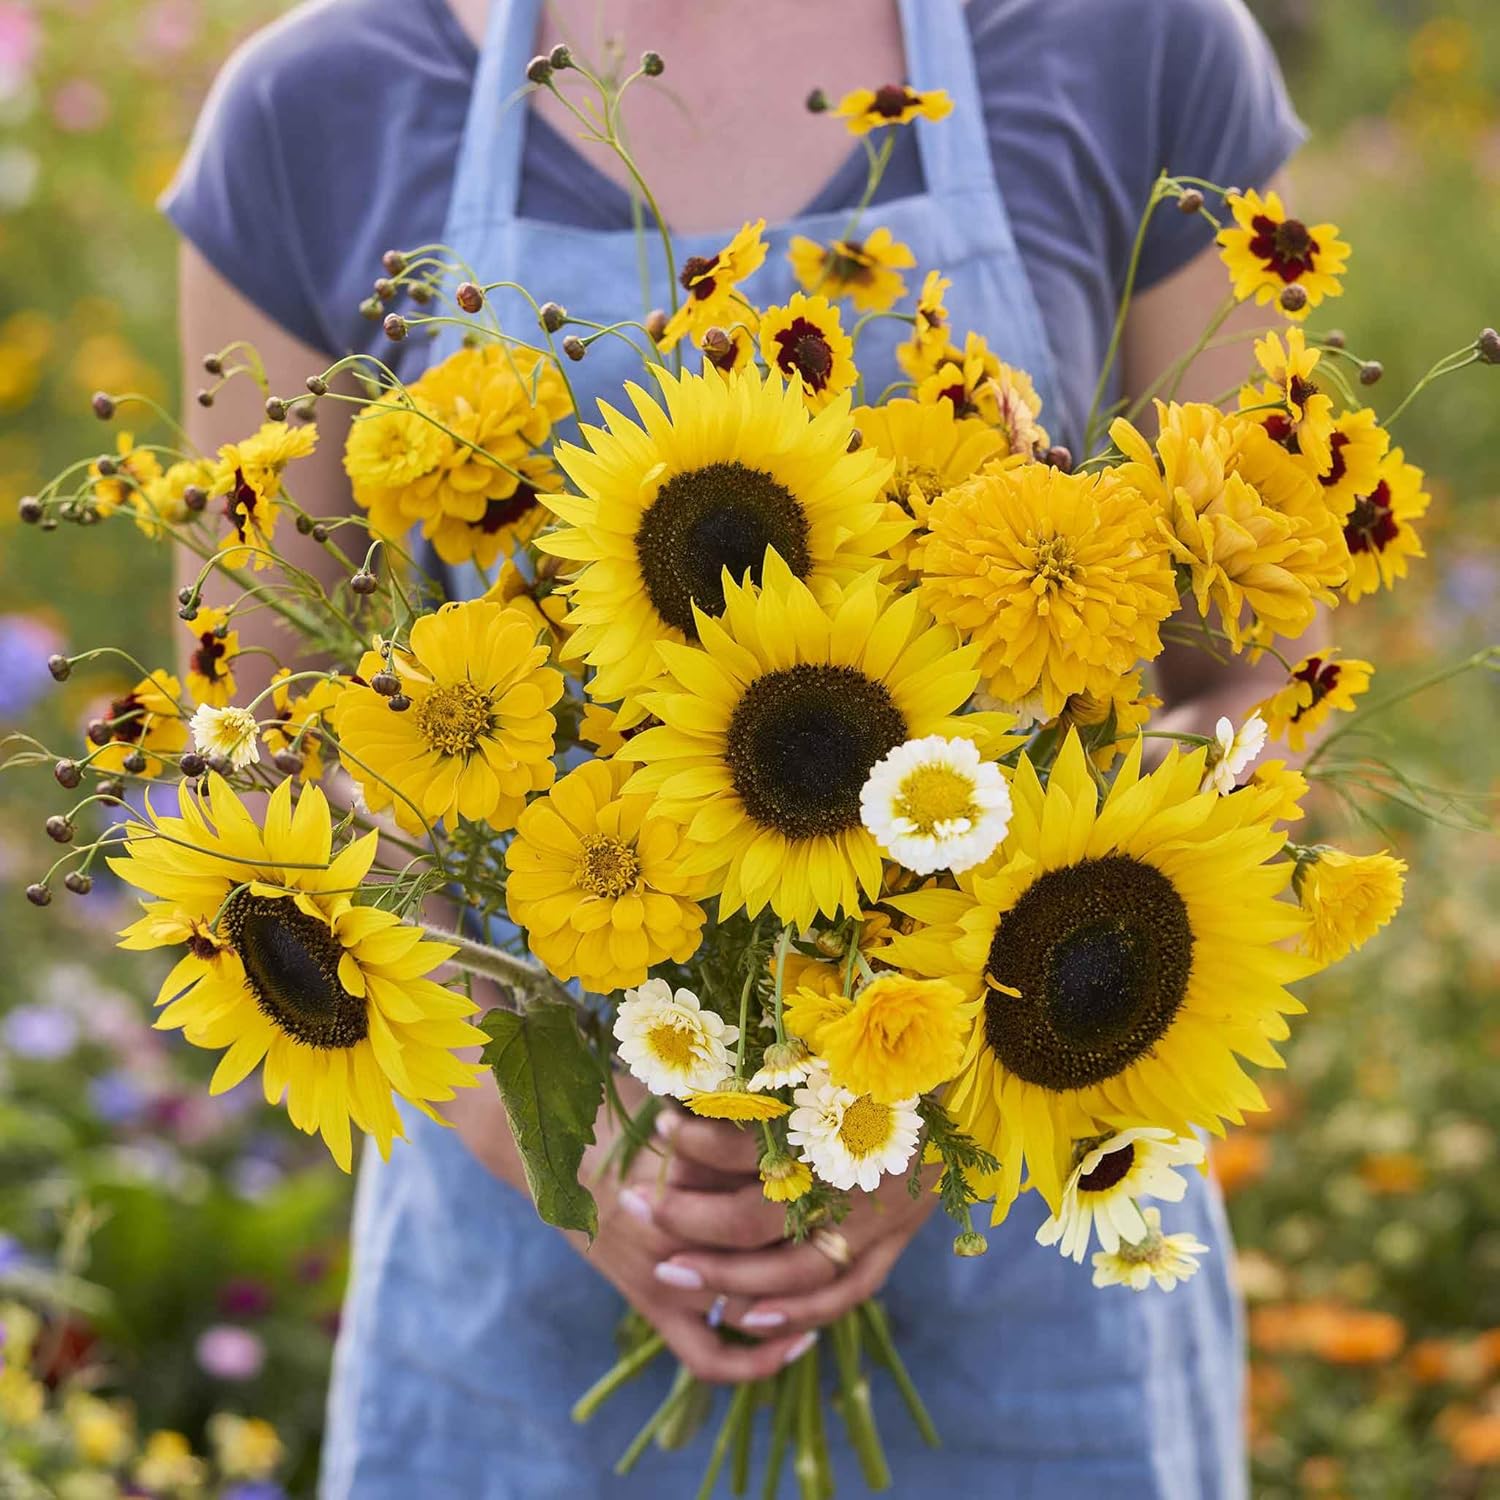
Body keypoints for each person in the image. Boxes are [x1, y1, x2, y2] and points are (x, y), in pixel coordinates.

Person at [165, 0, 1307, 1492]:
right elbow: (240, 745)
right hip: (523, 1296)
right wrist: (549, 1135)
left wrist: (965, 1077)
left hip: (1034, 1241)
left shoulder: (1131, 39)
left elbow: (1264, 684)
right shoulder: (317, 108)